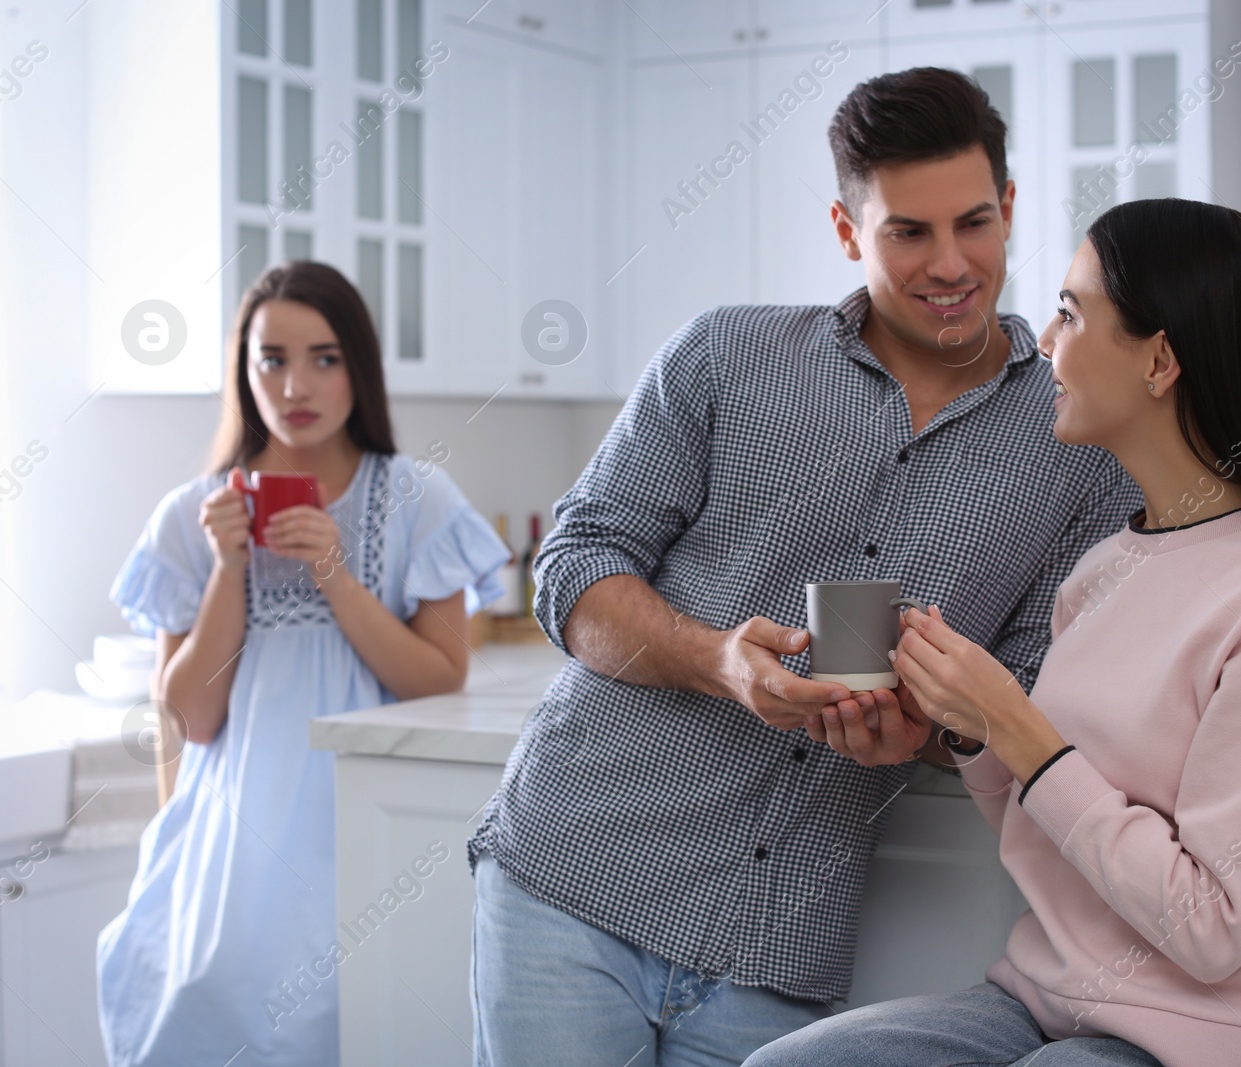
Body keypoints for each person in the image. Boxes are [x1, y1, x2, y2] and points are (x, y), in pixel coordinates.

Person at [467, 68, 1143, 1065]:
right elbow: (572, 566)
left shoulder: (1078, 449)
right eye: (907, 232)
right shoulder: (723, 356)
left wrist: (926, 731)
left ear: (1008, 208)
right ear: (845, 229)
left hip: (779, 947)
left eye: (972, 222)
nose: (950, 262)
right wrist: (715, 659)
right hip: (576, 876)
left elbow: (1028, 700)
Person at [747, 198, 1241, 1067]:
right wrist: (971, 725)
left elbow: (1212, 928)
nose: (1046, 344)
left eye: (1070, 311)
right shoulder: (1103, 570)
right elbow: (1051, 826)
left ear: (1160, 359)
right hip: (1051, 1001)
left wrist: (1021, 730)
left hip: (1220, 1037)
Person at [96, 261, 510, 1067]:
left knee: (354, 1019)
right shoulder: (191, 514)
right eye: (272, 358)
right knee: (198, 1009)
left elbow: (437, 677)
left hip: (369, 817)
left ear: (359, 365)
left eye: (325, 356)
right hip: (229, 843)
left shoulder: (418, 497)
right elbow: (188, 717)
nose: (296, 383)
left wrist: (334, 575)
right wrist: (229, 570)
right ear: (243, 371)